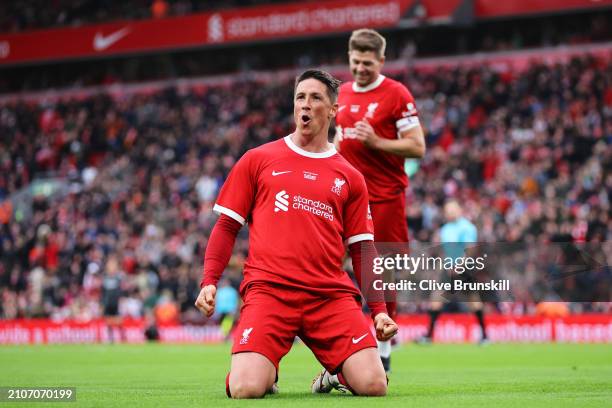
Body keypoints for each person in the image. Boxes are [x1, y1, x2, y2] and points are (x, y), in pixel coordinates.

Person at [195, 69, 398, 399]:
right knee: (246, 388)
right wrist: (209, 282)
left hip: (328, 295)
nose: (306, 104)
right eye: (300, 97)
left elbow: (363, 249)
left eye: (315, 97)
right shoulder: (257, 159)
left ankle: (334, 375)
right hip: (271, 292)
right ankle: (267, 368)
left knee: (375, 385)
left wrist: (380, 311)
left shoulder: (350, 176)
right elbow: (227, 226)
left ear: (333, 110)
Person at [334, 28, 426, 371]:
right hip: (347, 198)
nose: (360, 69)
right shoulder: (340, 94)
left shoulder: (396, 94)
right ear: (349, 58)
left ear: (381, 61)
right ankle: (334, 338)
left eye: (368, 63)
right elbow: (338, 144)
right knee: (327, 262)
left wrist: (377, 142)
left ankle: (383, 350)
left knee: (383, 272)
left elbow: (418, 146)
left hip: (385, 197)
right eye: (355, 62)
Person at [416, 200, 488, 344]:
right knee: (436, 299)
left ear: (459, 210)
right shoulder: (445, 229)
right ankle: (429, 336)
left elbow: (470, 249)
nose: (449, 213)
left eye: (452, 210)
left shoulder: (467, 227)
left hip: (464, 268)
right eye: (447, 211)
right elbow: (445, 250)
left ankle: (485, 336)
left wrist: (459, 265)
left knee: (473, 300)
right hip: (449, 268)